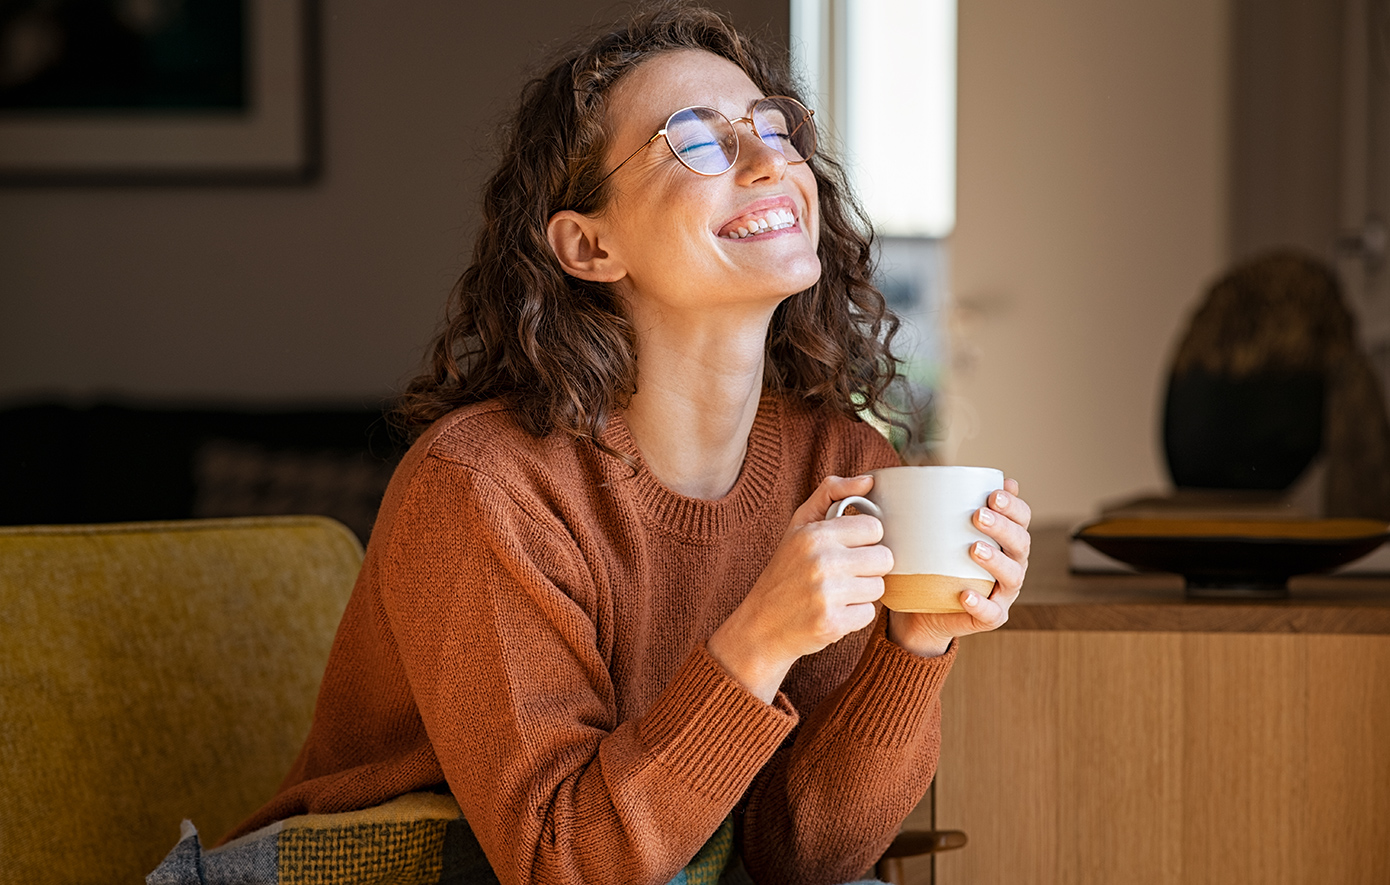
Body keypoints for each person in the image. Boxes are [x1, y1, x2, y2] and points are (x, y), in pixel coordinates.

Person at [225, 5, 1032, 884]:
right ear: (588, 243)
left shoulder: (840, 469)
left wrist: (913, 646)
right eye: (696, 140)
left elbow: (801, 861)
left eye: (774, 125)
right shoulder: (483, 486)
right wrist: (757, 640)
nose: (770, 161)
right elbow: (558, 862)